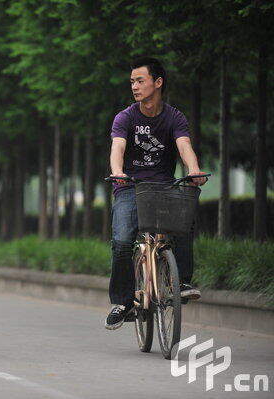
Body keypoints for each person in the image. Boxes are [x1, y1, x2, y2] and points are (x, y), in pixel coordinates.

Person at [105, 57, 207, 330]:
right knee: (122, 240)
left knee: (184, 225)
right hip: (129, 186)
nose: (135, 87)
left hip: (164, 186)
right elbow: (118, 148)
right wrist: (118, 171)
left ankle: (182, 281)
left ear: (158, 82)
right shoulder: (126, 117)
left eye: (140, 81)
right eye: (132, 82)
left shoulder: (175, 117)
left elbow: (184, 146)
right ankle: (123, 301)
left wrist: (194, 169)